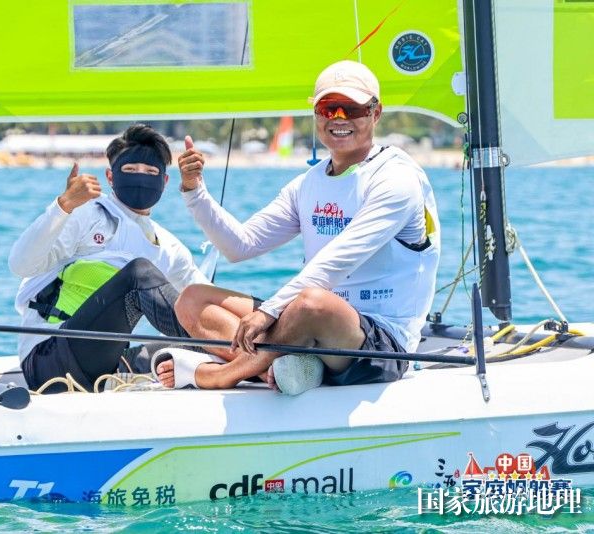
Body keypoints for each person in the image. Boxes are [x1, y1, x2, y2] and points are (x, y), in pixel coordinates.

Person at [159, 60, 440, 394]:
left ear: (375, 113)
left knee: (312, 303)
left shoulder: (397, 179)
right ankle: (280, 366)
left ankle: (223, 374)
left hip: (380, 339)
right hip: (306, 319)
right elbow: (239, 245)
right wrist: (194, 192)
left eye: (351, 109)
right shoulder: (308, 183)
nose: (339, 119)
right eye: (328, 108)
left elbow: (338, 260)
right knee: (192, 298)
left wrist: (270, 311)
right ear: (316, 115)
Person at [10, 124, 209, 393]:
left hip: (108, 367)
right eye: (130, 169)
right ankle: (230, 351)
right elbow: (20, 264)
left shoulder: (170, 248)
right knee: (139, 273)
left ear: (164, 181)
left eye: (151, 172)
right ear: (110, 176)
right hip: (49, 361)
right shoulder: (86, 213)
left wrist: (258, 318)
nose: (141, 178)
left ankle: (248, 353)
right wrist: (63, 205)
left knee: (200, 339)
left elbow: (205, 300)